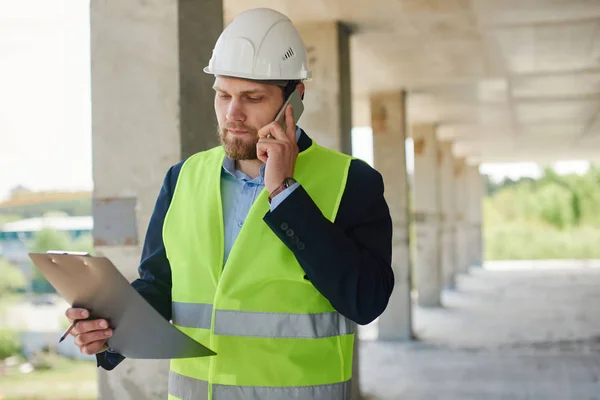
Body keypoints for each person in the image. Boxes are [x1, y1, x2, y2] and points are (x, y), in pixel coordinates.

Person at [65, 7, 394, 400]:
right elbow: (159, 285)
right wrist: (108, 332)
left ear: (296, 98)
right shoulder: (183, 177)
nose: (232, 115)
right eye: (223, 94)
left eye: (252, 97)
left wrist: (286, 193)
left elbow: (366, 301)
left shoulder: (352, 182)